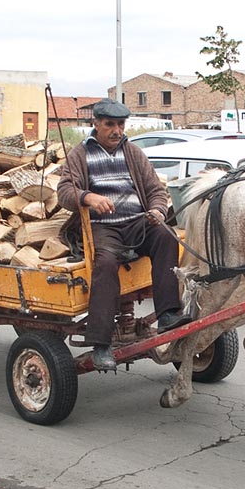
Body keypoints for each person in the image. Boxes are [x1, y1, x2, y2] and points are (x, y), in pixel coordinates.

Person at [56, 99, 190, 371]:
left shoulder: (133, 152)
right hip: (103, 227)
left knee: (166, 237)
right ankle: (101, 344)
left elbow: (155, 190)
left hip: (137, 222)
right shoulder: (80, 154)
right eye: (110, 125)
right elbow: (64, 192)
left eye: (120, 124)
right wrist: (88, 197)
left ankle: (167, 314)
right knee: (104, 264)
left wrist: (157, 210)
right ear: (95, 124)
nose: (116, 130)